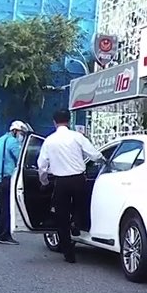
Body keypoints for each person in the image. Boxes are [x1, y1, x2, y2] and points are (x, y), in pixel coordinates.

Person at [37, 109, 103, 263]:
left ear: (54, 122)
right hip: (79, 179)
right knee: (81, 205)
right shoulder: (77, 137)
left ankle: (69, 254)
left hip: (61, 182)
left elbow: (42, 165)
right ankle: (76, 222)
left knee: (62, 217)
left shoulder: (49, 141)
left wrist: (44, 182)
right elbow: (94, 155)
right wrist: (104, 160)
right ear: (69, 121)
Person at [0, 120, 29, 245]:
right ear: (15, 131)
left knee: (3, 206)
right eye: (21, 133)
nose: (21, 136)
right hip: (8, 177)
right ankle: (4, 235)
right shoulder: (12, 142)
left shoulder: (0, 140)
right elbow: (21, 158)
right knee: (8, 207)